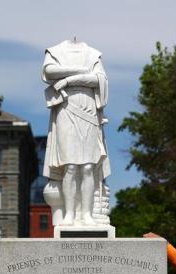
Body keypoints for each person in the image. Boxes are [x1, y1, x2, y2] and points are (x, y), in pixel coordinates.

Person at [41, 39, 110, 226]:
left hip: (88, 109)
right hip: (66, 107)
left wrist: (68, 80)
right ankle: (70, 214)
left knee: (88, 166)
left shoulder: (93, 54)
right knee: (69, 166)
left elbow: (99, 79)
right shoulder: (55, 51)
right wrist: (81, 71)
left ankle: (86, 214)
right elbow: (49, 72)